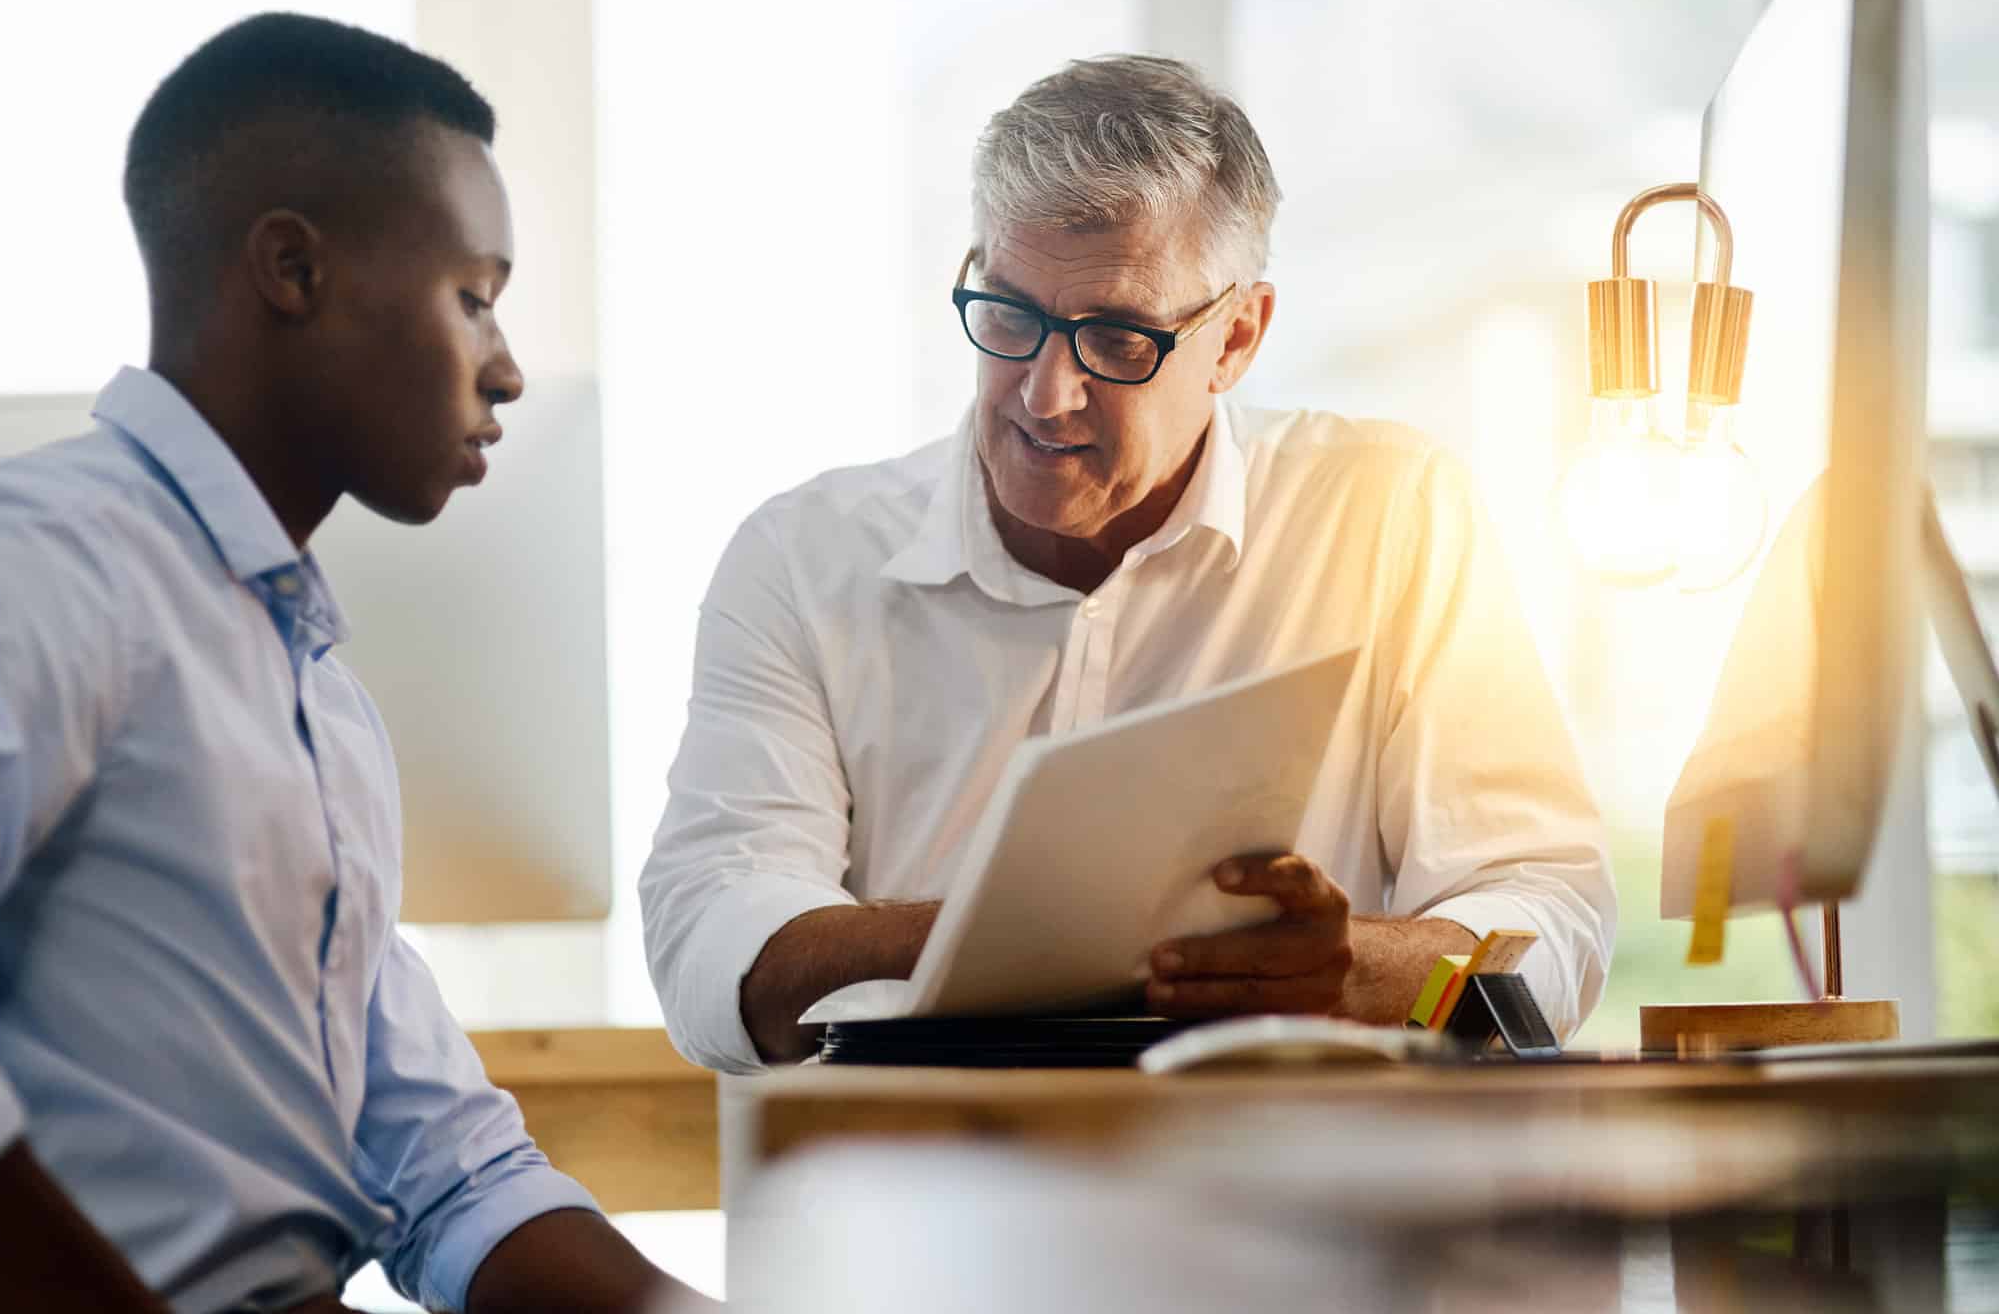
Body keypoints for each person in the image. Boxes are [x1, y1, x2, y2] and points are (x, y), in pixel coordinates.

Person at [0, 13, 699, 1313]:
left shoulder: (311, 695)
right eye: (473, 297)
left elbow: (444, 1171)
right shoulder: (31, 566)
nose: (503, 370)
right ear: (291, 268)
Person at [640, 55, 1616, 1073]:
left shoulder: (1389, 514)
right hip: (927, 1189)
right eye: (1011, 317)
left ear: (1236, 337)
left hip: (1299, 1199)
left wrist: (1371, 970)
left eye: (1114, 336)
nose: (1044, 393)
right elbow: (714, 950)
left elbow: (1549, 906)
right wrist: (1022, 940)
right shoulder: (802, 557)